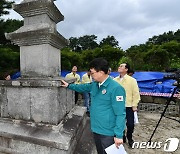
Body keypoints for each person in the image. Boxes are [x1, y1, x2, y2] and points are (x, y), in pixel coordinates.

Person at [61, 58, 126, 154]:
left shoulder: (116, 88)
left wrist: (119, 135)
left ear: (101, 72)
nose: (91, 75)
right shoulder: (95, 84)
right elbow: (82, 87)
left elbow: (120, 113)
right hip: (96, 128)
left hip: (108, 132)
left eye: (92, 73)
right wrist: (69, 86)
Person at [114, 63, 140, 148]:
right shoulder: (115, 80)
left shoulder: (132, 80)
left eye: (121, 66)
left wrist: (134, 104)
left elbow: (136, 94)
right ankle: (122, 136)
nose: (119, 67)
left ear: (126, 69)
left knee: (130, 124)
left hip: (129, 106)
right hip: (118, 106)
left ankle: (130, 137)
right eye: (119, 66)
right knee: (119, 123)